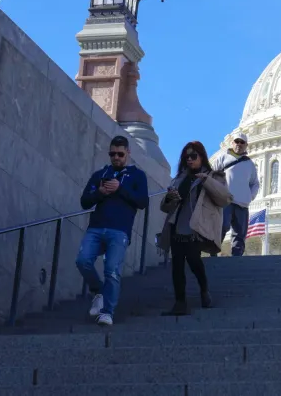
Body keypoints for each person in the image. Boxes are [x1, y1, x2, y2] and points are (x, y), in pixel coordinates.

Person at [76, 135, 149, 327]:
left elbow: (143, 202)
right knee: (82, 261)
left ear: (128, 153)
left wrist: (120, 188)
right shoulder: (100, 174)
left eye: (120, 154)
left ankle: (107, 312)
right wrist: (100, 193)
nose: (116, 157)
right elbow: (84, 201)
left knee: (112, 270)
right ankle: (98, 292)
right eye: (112, 154)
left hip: (119, 230)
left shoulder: (137, 175)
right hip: (96, 227)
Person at [158, 141, 232, 316]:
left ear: (201, 157)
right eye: (186, 157)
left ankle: (204, 289)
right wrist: (170, 198)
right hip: (177, 223)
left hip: (197, 226)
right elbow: (164, 207)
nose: (189, 160)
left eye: (193, 156)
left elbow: (225, 199)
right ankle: (180, 302)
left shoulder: (214, 176)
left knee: (193, 260)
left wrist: (206, 180)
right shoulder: (179, 179)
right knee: (176, 264)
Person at [210, 132, 260, 257]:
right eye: (237, 141)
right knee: (222, 226)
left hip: (242, 204)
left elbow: (255, 183)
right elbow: (211, 176)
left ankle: (237, 257)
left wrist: (249, 196)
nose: (239, 144)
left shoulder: (249, 164)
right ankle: (214, 252)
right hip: (226, 201)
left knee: (240, 233)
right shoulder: (223, 158)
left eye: (242, 142)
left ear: (246, 145)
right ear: (232, 143)